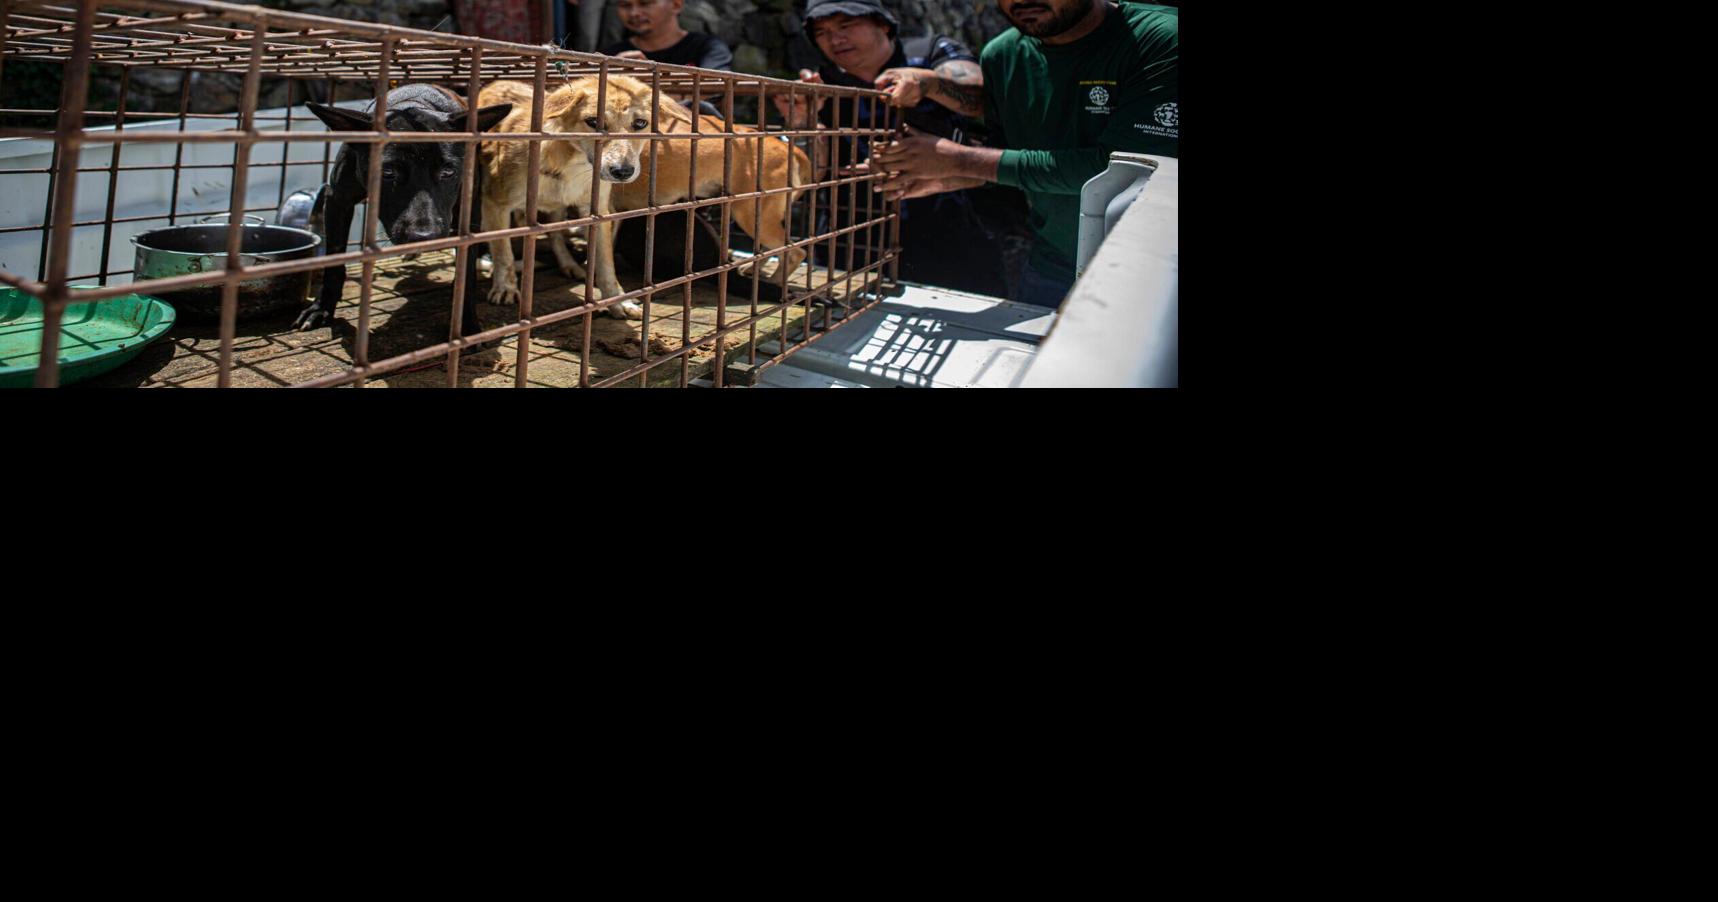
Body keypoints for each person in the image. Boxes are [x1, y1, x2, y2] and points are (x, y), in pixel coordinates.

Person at [870, 0, 1178, 309]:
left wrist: (958, 160)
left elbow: (1125, 173)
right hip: (1052, 268)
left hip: (1153, 272)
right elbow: (1010, 155)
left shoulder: (1160, 38)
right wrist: (946, 176)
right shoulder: (1004, 56)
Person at [773, 0, 1026, 298]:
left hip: (953, 234)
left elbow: (980, 96)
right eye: (822, 32)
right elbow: (812, 174)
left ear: (882, 23)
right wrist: (803, 121)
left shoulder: (930, 53)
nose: (835, 39)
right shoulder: (822, 86)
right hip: (851, 245)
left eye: (846, 25)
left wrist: (927, 85)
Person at [601, 0, 733, 71]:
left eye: (645, 3)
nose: (634, 13)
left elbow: (715, 93)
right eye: (625, 5)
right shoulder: (612, 56)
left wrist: (647, 80)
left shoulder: (708, 49)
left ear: (676, 5)